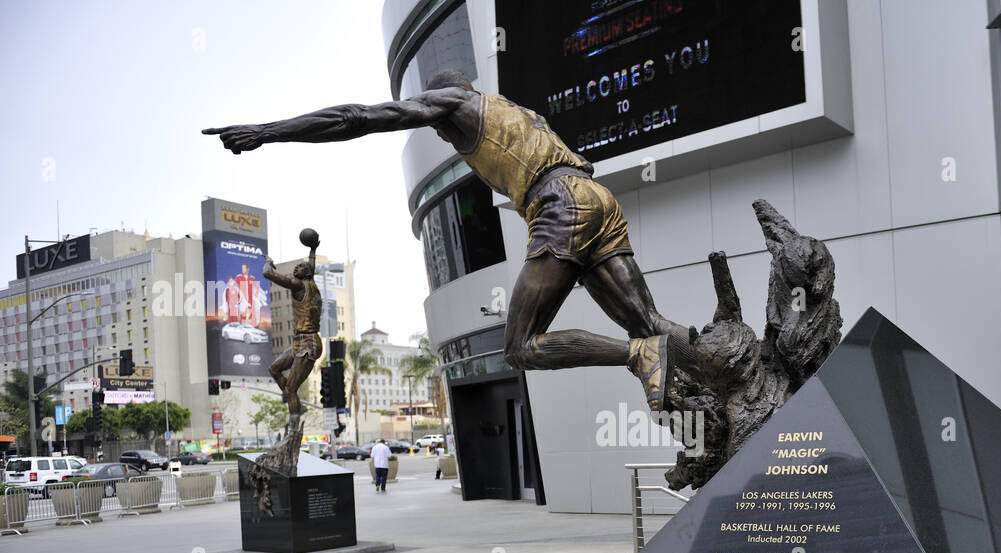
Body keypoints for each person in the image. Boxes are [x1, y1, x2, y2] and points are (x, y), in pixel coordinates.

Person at [204, 70, 700, 414]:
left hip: (560, 202)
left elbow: (357, 117)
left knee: (522, 346)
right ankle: (717, 365)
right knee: (651, 323)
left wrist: (267, 132)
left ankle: (638, 357)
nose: (441, 134)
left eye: (435, 123)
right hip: (596, 196)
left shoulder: (456, 103)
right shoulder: (517, 113)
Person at [263, 238, 322, 419]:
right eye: (296, 267)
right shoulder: (310, 282)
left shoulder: (298, 285)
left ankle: (294, 428)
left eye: (301, 267)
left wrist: (268, 263)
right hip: (300, 342)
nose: (297, 268)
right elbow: (311, 265)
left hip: (308, 343)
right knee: (274, 369)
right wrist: (312, 250)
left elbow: (267, 274)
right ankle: (294, 401)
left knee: (290, 388)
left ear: (306, 274)